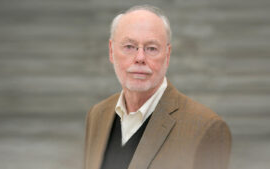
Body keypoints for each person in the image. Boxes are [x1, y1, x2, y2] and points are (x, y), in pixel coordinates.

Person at [84, 5, 231, 169]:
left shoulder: (207, 129)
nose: (140, 58)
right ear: (111, 51)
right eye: (129, 47)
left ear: (167, 55)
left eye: (151, 48)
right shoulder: (97, 115)